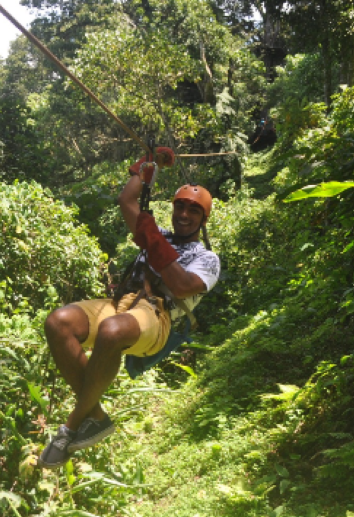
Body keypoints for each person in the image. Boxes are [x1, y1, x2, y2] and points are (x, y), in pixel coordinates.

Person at [38, 150, 221, 469]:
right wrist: (146, 166)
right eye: (180, 206)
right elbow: (127, 201)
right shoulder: (159, 234)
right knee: (58, 322)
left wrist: (152, 240)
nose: (184, 214)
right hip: (119, 302)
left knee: (112, 330)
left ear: (203, 219)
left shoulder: (207, 259)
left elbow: (180, 286)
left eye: (194, 210)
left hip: (156, 315)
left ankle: (69, 428)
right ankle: (95, 416)